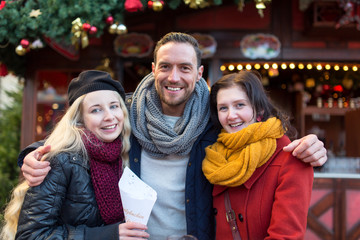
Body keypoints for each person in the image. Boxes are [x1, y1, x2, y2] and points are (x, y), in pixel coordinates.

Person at [17, 32, 327, 240]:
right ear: (153, 69)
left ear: (199, 73)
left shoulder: (215, 120)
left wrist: (310, 146)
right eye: (165, 66)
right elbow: (77, 133)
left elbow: (259, 135)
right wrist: (31, 154)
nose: (174, 77)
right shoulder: (125, 113)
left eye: (184, 67)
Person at [1, 70, 149, 240]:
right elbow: (31, 235)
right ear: (79, 118)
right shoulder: (60, 161)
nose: (110, 116)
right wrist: (107, 235)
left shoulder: (126, 152)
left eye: (114, 106)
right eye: (96, 110)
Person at [202, 70, 314, 239]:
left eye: (240, 105)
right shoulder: (215, 155)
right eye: (223, 108)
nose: (231, 115)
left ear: (259, 109)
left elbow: (285, 236)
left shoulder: (290, 157)